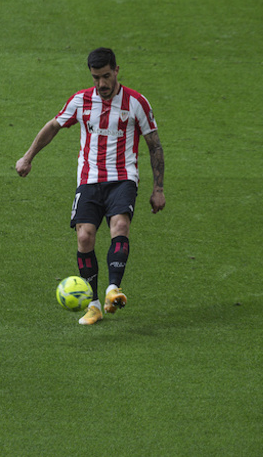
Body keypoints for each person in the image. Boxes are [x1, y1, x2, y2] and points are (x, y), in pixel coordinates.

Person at [16, 47, 165, 325]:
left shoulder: (136, 103)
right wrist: (28, 157)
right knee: (85, 238)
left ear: (117, 70)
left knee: (119, 226)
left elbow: (153, 144)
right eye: (96, 77)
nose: (102, 84)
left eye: (106, 76)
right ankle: (94, 305)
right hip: (89, 180)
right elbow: (53, 126)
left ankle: (113, 290)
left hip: (123, 178)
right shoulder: (81, 101)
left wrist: (158, 189)